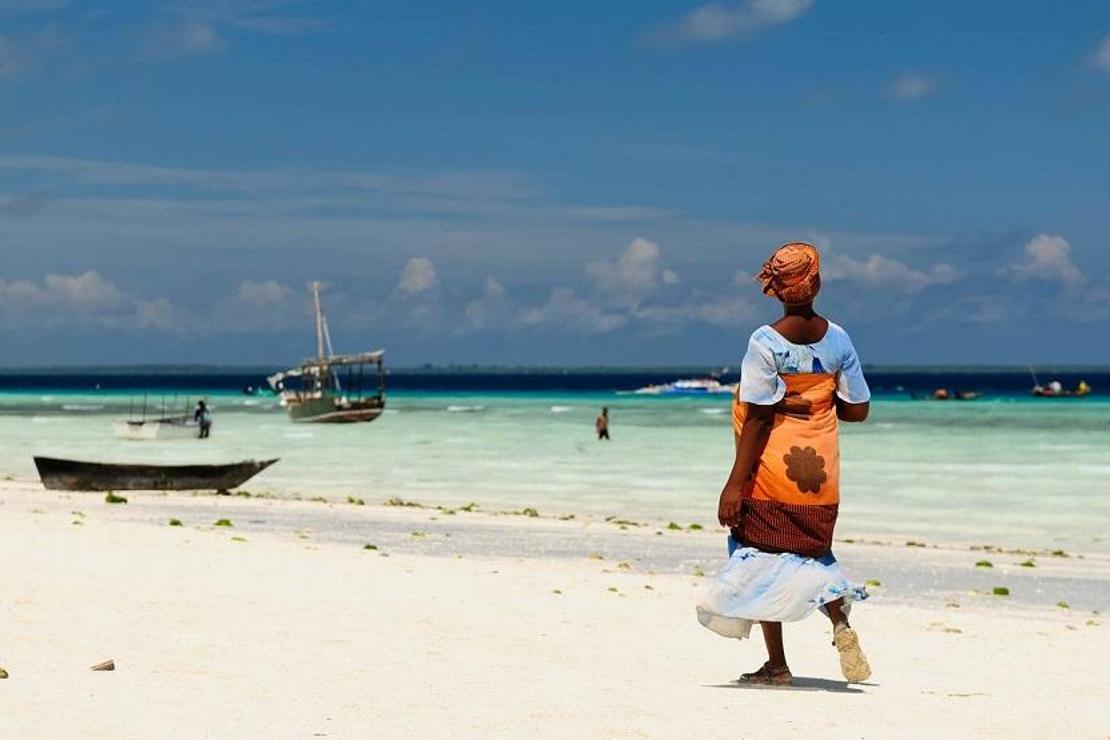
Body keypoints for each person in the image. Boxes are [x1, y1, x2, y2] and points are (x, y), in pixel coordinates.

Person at [696, 242, 872, 686]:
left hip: (774, 470)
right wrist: (818, 396)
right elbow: (857, 410)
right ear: (818, 283)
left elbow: (756, 419)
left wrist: (734, 485)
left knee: (761, 557)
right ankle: (839, 623)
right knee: (813, 554)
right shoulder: (839, 339)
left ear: (775, 289)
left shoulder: (765, 342)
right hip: (821, 476)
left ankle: (776, 665)